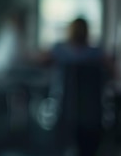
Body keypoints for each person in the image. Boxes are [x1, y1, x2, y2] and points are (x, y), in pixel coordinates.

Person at [41, 18, 115, 156]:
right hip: (93, 118)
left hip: (65, 114)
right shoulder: (97, 53)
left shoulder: (60, 51)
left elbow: (38, 61)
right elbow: (113, 72)